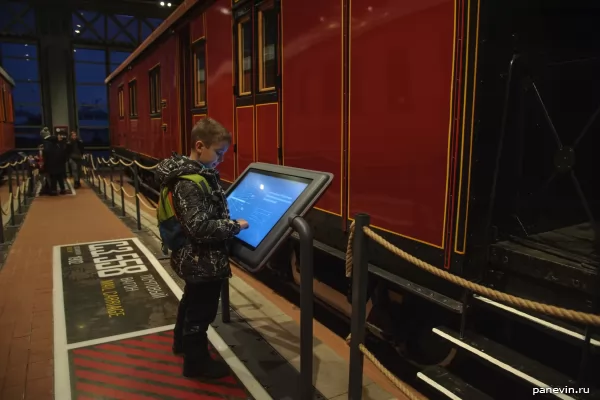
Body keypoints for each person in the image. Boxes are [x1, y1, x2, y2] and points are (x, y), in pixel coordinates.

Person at [155, 118, 249, 379]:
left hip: (192, 256)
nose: (220, 159)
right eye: (218, 153)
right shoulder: (189, 182)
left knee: (191, 301)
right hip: (200, 258)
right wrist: (234, 226)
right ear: (199, 146)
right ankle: (196, 364)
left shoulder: (187, 174)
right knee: (201, 311)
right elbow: (198, 227)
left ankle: (181, 344)